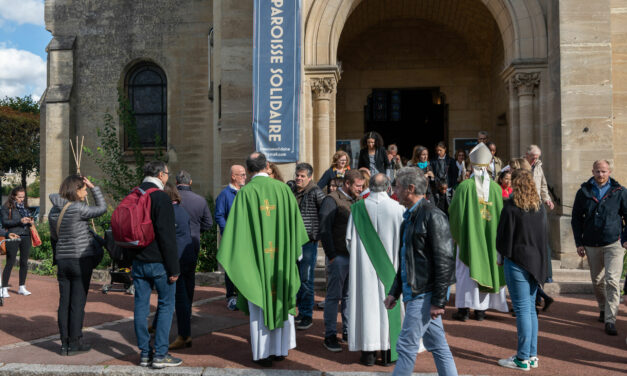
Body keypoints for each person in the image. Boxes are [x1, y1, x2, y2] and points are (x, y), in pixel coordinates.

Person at [217, 152, 308, 367]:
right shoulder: (284, 190)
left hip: (257, 264)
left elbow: (236, 236)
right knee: (281, 298)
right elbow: (296, 228)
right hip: (281, 263)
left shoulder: (245, 194)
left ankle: (263, 353)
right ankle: (280, 350)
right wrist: (295, 254)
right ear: (267, 166)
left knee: (259, 306)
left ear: (248, 170)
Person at [384, 167, 458, 376]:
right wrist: (394, 291)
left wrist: (438, 301)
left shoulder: (433, 215)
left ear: (410, 188)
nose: (394, 190)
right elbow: (406, 261)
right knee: (438, 345)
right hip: (415, 291)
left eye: (397, 186)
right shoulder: (408, 217)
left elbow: (444, 260)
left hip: (424, 293)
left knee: (406, 345)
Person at [346, 173, 405, 366]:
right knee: (390, 306)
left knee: (367, 309)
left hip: (364, 272)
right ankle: (389, 354)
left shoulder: (356, 209)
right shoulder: (399, 209)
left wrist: (360, 258)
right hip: (391, 270)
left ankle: (369, 354)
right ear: (388, 187)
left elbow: (348, 241)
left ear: (368, 186)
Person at [495, 169, 548, 371]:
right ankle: (531, 355)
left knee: (523, 310)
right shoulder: (539, 207)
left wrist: (501, 256)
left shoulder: (511, 207)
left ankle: (522, 357)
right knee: (530, 310)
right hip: (536, 262)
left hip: (517, 260)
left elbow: (503, 236)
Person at [48, 175, 107, 356]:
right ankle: (75, 342)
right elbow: (102, 209)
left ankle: (64, 344)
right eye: (83, 189)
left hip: (63, 260)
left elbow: (54, 237)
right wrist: (93, 187)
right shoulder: (78, 208)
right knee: (77, 303)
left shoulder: (53, 211)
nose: (84, 192)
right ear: (76, 189)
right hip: (80, 259)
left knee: (64, 302)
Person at [449, 142, 508, 321]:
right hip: (491, 241)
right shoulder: (497, 190)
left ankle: (464, 310)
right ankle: (481, 311)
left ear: (472, 166)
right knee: (488, 267)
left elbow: (455, 214)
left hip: (469, 239)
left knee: (466, 272)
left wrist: (458, 235)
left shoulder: (464, 187)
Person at [131, 161, 181, 369]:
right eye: (167, 174)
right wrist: (174, 268)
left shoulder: (133, 194)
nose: (168, 177)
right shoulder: (160, 197)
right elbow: (167, 236)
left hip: (138, 260)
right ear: (161, 175)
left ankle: (144, 354)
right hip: (159, 262)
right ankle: (160, 354)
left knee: (140, 308)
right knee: (166, 305)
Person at [571, 160, 627, 336]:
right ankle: (603, 308)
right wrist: (579, 243)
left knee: (612, 280)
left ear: (609, 171)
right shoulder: (584, 192)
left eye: (603, 171)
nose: (600, 175)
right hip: (591, 243)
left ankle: (610, 320)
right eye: (597, 171)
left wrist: (625, 239)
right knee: (597, 282)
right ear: (592, 171)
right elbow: (576, 219)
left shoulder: (620, 192)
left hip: (614, 243)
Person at [319, 169, 364, 352]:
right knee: (333, 297)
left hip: (354, 258)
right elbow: (324, 228)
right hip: (338, 257)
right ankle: (330, 335)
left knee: (349, 296)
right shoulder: (332, 199)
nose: (361, 189)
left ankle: (347, 331)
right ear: (347, 184)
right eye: (358, 186)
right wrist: (331, 255)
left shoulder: (358, 200)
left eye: (362, 186)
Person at [170, 171, 212, 346]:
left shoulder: (171, 200)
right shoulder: (200, 200)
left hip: (174, 246)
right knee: (189, 279)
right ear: (191, 181)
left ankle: (180, 314)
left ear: (176, 182)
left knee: (175, 282)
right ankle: (187, 311)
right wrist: (196, 232)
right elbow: (208, 224)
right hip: (192, 244)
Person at [288, 163, 325, 331]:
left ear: (310, 177)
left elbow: (325, 213)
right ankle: (300, 312)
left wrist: (318, 234)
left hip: (308, 241)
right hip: (293, 240)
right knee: (296, 277)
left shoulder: (316, 192)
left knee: (306, 279)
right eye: (297, 175)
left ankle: (306, 314)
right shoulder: (292, 191)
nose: (299, 178)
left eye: (302, 176)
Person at [161, 183, 195, 350]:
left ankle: (184, 335)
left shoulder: (170, 212)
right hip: (188, 256)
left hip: (178, 259)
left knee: (179, 298)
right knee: (183, 296)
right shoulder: (181, 209)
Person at [215, 165, 247, 310]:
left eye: (245, 174)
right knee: (231, 268)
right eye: (241, 175)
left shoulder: (247, 192)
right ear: (233, 176)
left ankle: (244, 295)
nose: (245, 177)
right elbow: (219, 215)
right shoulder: (225, 194)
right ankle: (231, 296)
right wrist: (228, 231)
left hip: (246, 238)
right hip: (232, 238)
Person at [1, 187, 34, 298]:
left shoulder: (24, 207)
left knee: (24, 263)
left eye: (23, 197)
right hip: (13, 236)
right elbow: (5, 222)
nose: (22, 199)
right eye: (19, 197)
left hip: (26, 236)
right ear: (13, 196)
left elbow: (28, 220)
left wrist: (30, 221)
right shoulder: (6, 207)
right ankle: (4, 288)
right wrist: (20, 221)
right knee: (10, 262)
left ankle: (22, 287)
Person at [525, 145, 554, 210]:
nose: (535, 160)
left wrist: (547, 199)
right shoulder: (518, 165)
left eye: (536, 158)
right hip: (523, 202)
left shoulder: (538, 166)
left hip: (536, 202)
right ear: (527, 154)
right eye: (533, 158)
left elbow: (543, 185)